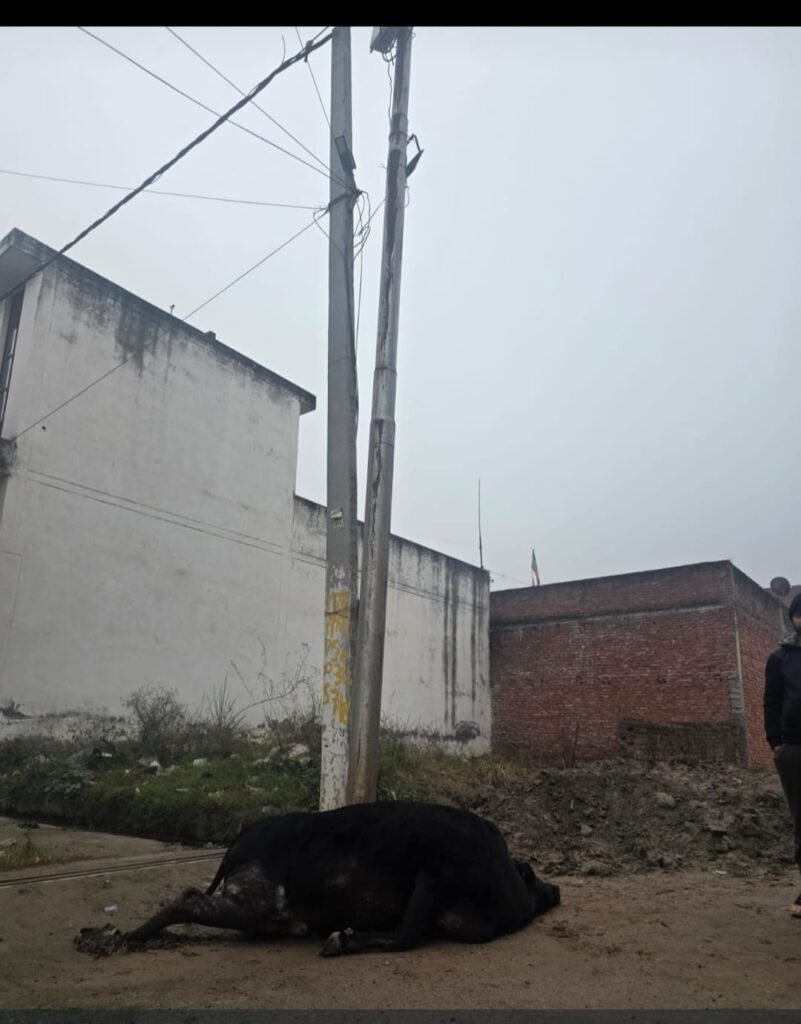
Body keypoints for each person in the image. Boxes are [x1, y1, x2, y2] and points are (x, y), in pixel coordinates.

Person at [764, 591, 801, 916]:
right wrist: (776, 743)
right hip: (794, 749)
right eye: (799, 614)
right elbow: (772, 701)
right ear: (793, 619)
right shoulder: (779, 659)